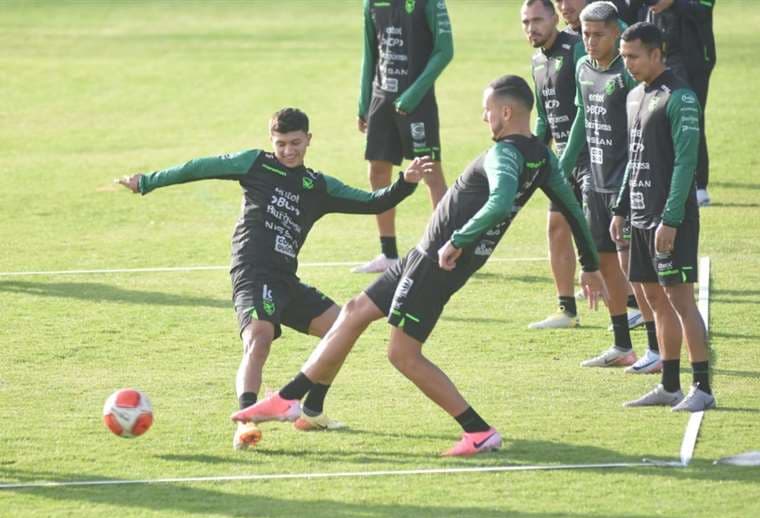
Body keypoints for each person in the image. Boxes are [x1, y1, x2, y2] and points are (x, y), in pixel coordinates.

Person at [231, 75, 608, 456]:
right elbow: (574, 209)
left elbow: (499, 201)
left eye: (488, 109)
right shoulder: (543, 158)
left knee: (402, 354)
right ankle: (298, 402)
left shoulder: (504, 155)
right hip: (421, 255)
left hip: (438, 260)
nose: (484, 115)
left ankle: (478, 431)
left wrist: (457, 240)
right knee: (355, 311)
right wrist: (590, 264)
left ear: (506, 112)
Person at [118, 108, 433, 449]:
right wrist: (149, 181)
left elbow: (373, 202)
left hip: (286, 278)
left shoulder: (318, 185)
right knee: (259, 340)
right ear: (272, 141)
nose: (288, 151)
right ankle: (245, 422)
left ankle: (312, 410)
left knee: (341, 330)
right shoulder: (255, 164)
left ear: (309, 140)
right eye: (281, 143)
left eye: (295, 143)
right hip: (252, 272)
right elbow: (199, 167)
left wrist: (407, 182)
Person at [612, 22, 715, 411]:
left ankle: (702, 387)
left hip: (670, 219)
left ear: (658, 53)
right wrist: (622, 207)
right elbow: (634, 157)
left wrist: (670, 220)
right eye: (624, 58)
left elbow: (686, 163)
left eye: (634, 57)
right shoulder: (635, 95)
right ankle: (669, 385)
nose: (628, 65)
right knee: (654, 300)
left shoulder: (681, 98)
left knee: (681, 301)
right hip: (639, 215)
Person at [559, 1, 658, 371]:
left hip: (628, 187)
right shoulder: (582, 67)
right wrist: (561, 168)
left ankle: (655, 347)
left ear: (617, 32)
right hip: (595, 184)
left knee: (636, 271)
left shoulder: (627, 73)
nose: (590, 41)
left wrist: (625, 193)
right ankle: (622, 345)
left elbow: (641, 135)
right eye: (585, 33)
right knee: (604, 265)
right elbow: (583, 118)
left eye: (599, 34)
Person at [353, 0, 453, 273]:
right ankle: (388, 254)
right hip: (381, 99)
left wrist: (414, 94)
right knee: (377, 171)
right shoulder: (372, 3)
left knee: (431, 173)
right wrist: (364, 102)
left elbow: (445, 51)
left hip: (417, 101)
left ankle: (441, 249)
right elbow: (370, 52)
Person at [521, 0, 590, 329]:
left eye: (536, 20)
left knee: (602, 235)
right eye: (525, 22)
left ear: (553, 19)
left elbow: (587, 110)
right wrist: (532, 154)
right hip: (561, 163)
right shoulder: (537, 61)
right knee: (556, 229)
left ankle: (633, 303)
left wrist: (565, 161)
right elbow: (544, 118)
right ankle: (567, 310)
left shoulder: (576, 49)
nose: (530, 28)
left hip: (592, 159)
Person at [633, 0, 716, 206]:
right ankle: (662, 181)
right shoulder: (649, 11)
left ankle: (699, 186)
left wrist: (671, 2)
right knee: (654, 119)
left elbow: (704, 9)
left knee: (691, 120)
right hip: (657, 58)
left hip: (692, 63)